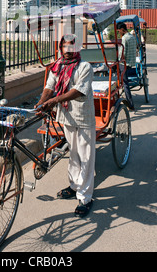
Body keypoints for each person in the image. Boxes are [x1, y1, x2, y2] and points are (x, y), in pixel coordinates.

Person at [35, 34, 95, 218]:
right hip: (67, 117)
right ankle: (74, 185)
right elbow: (49, 86)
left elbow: (77, 91)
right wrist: (40, 103)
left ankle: (85, 197)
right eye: (64, 47)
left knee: (85, 157)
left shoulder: (85, 67)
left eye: (71, 47)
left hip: (83, 118)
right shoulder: (57, 66)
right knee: (73, 154)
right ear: (60, 48)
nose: (67, 51)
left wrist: (54, 101)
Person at [117, 22, 136, 111]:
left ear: (122, 30)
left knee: (125, 84)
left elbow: (122, 53)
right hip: (131, 63)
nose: (119, 33)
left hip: (124, 64)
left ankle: (130, 104)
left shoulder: (125, 38)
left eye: (119, 31)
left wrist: (117, 60)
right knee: (125, 83)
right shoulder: (132, 37)